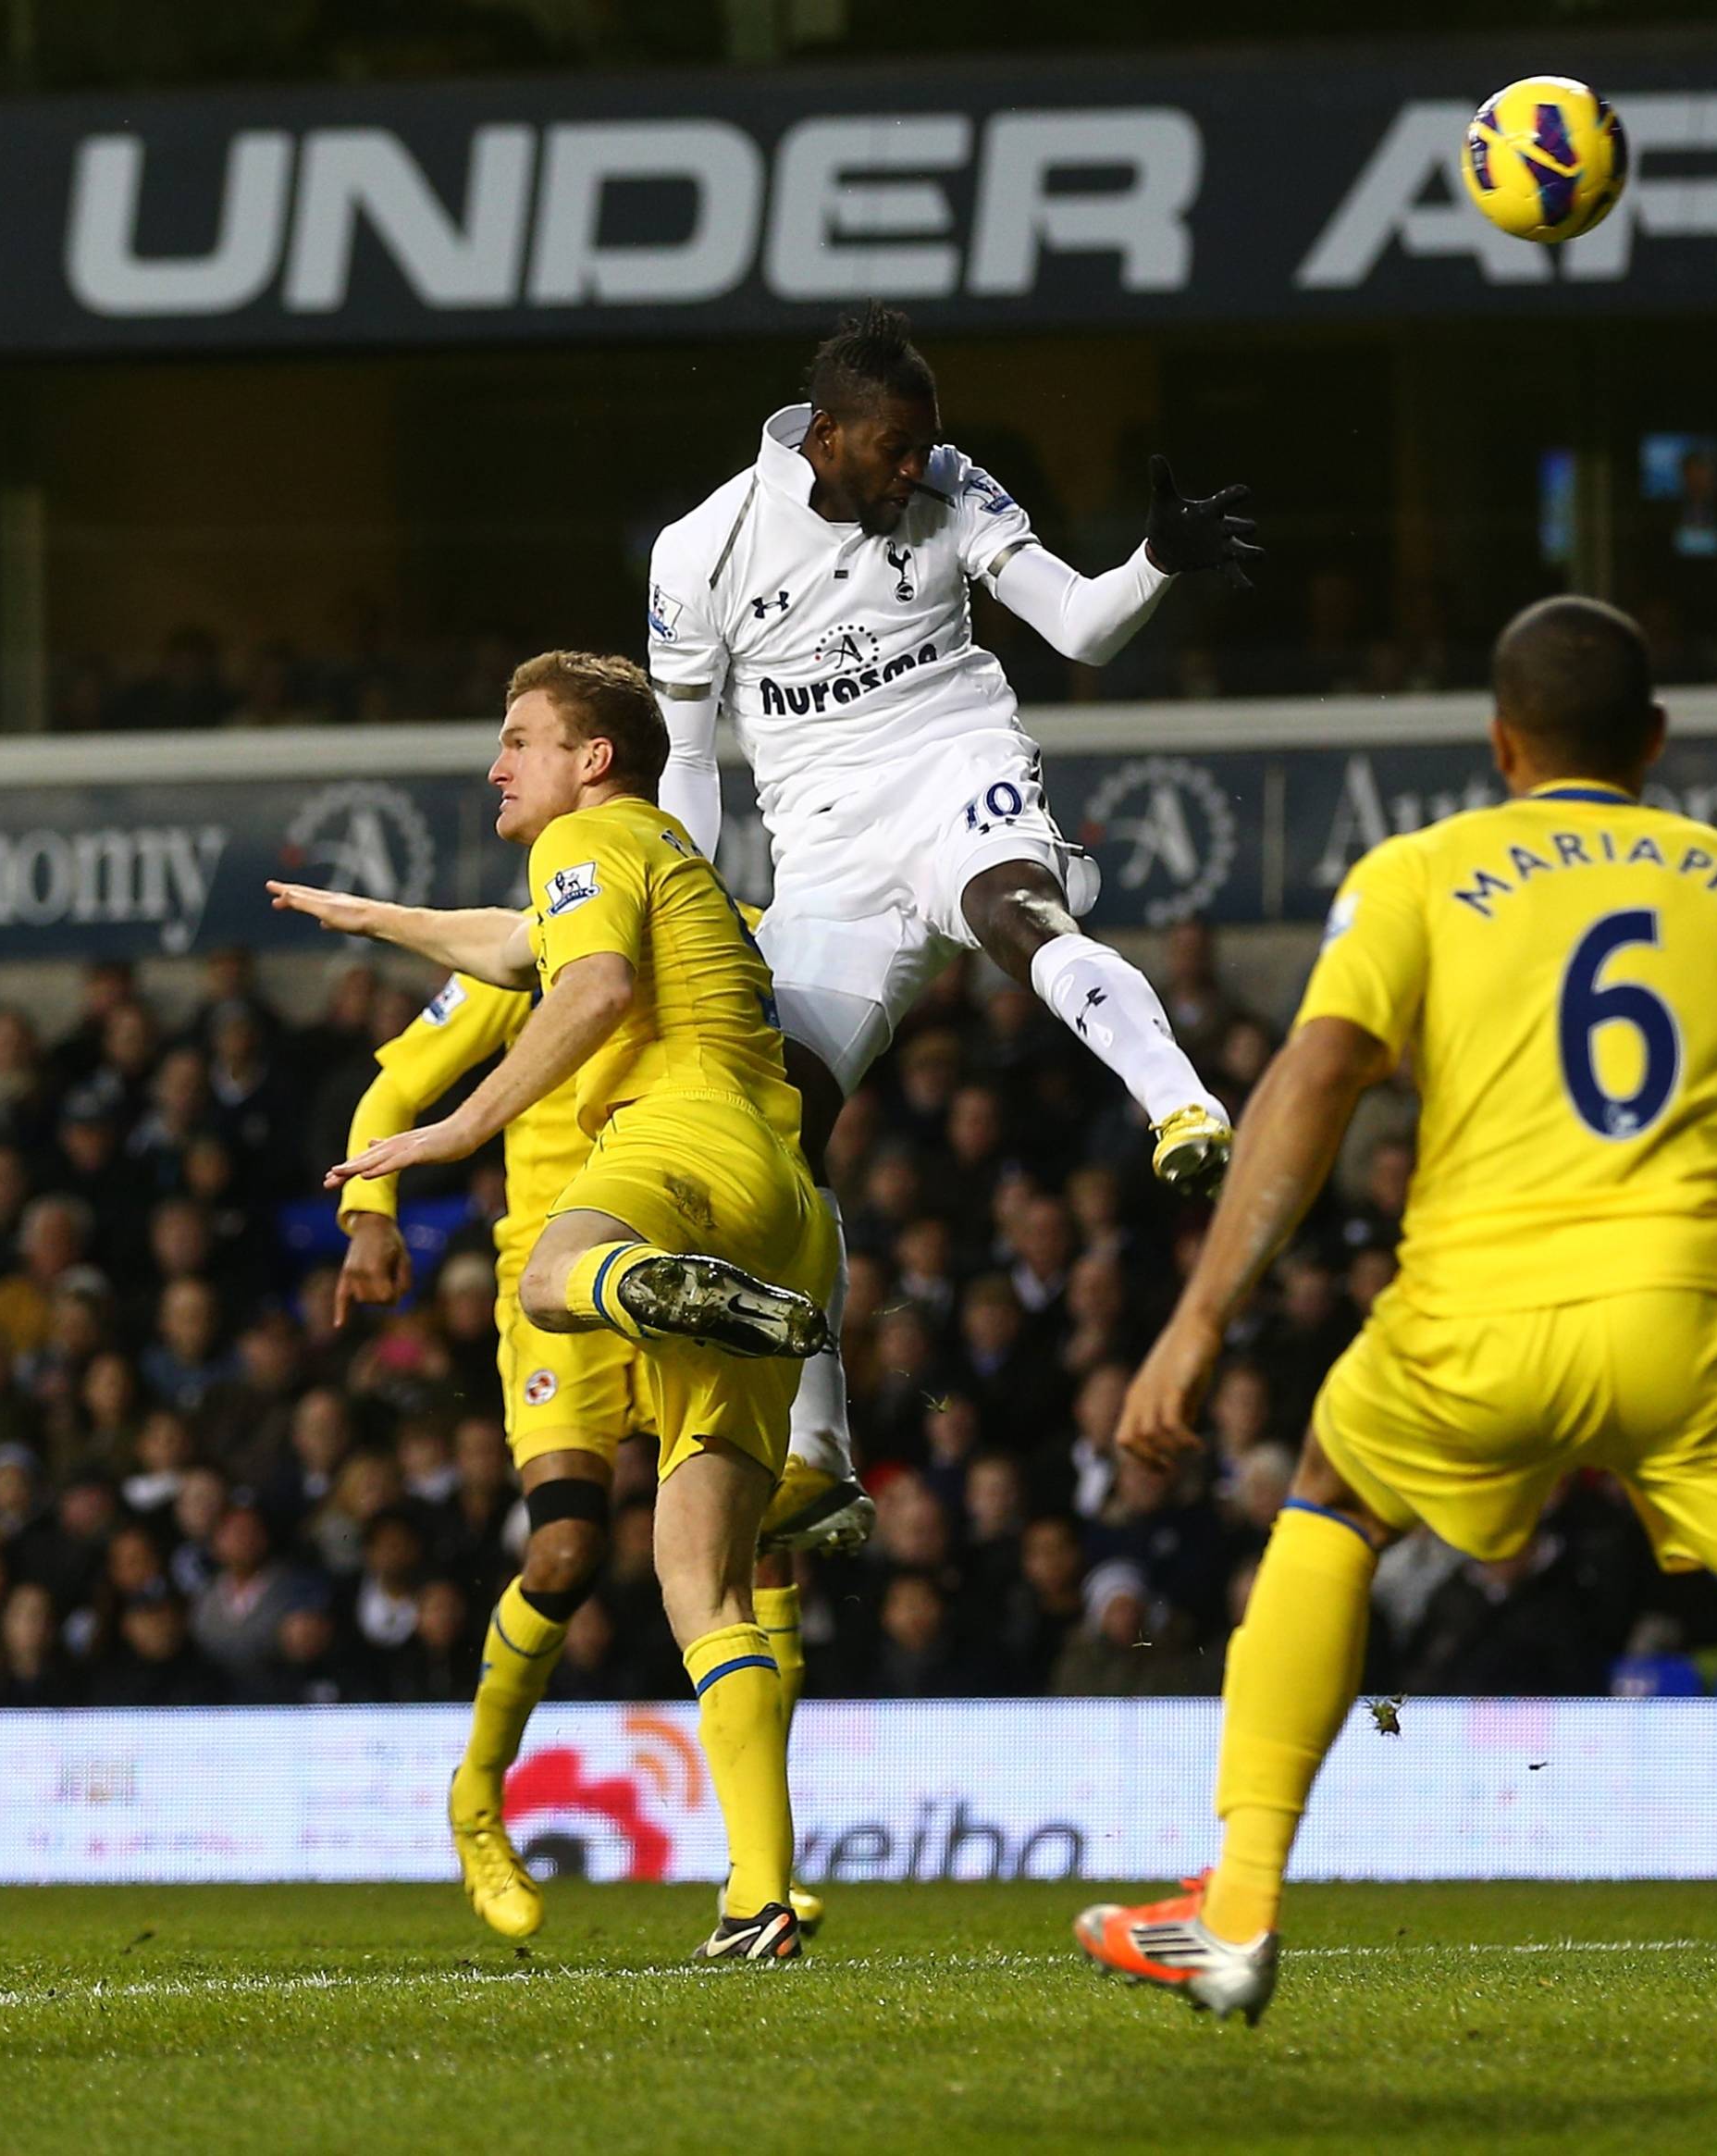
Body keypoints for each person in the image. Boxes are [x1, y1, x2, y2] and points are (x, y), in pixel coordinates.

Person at [1071, 597, 1717, 2088]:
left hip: (1473, 1318)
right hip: (1698, 1324)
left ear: (1502, 743)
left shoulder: (1422, 871)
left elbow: (1315, 1078)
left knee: (1331, 1490)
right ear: (1654, 742)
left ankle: (1235, 1907)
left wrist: (1197, 1321)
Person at [642, 305, 1260, 1586]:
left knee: (1016, 909)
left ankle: (1183, 1106)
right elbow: (690, 766)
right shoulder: (701, 550)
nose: (913, 466)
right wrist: (684, 906)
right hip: (824, 851)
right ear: (825, 434)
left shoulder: (951, 482)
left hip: (956, 764)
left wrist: (1154, 557)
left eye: (925, 444)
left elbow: (1081, 626)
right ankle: (819, 1459)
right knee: (771, 1144)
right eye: (891, 446)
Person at [273, 651, 835, 1967]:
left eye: (518, 736)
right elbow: (521, 954)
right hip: (783, 1205)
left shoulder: (586, 841)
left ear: (592, 758)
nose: (495, 763)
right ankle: (759, 1898)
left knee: (542, 1278)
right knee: (697, 1576)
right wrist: (379, 919)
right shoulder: (658, 863)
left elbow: (589, 989)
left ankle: (642, 1289)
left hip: (663, 1170)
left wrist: (458, 1132)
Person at [328, 872, 871, 1943]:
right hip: (563, 1278)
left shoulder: (736, 943)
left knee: (754, 1547)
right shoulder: (551, 941)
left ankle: (761, 1867)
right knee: (568, 1549)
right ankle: (478, 1796)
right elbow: (398, 1089)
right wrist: (368, 1211)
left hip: (700, 1243)